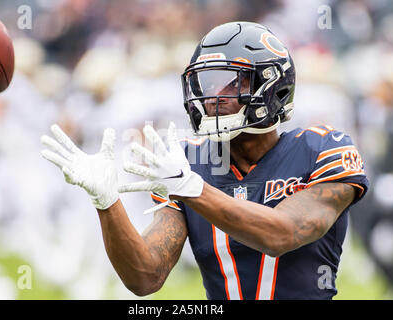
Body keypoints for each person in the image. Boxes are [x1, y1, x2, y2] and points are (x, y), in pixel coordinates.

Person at [40, 22, 369, 300]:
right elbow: (145, 277)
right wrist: (108, 203)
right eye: (206, 83)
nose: (213, 97)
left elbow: (280, 235)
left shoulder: (322, 148)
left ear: (273, 86)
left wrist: (191, 188)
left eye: (231, 82)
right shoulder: (191, 160)